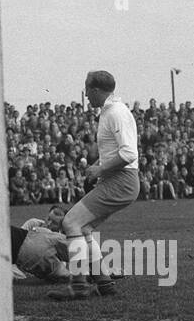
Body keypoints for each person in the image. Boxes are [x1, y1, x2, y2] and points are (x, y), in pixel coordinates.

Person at [49, 70, 139, 301]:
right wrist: (98, 166)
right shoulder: (112, 111)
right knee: (84, 228)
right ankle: (104, 283)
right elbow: (116, 151)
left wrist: (100, 169)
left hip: (121, 180)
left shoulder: (115, 113)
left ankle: (79, 285)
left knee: (70, 222)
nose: (86, 94)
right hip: (117, 179)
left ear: (96, 90)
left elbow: (129, 153)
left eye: (87, 89)